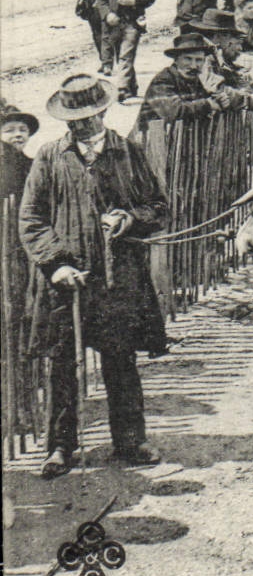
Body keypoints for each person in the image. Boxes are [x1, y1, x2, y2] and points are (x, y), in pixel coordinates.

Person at [20, 74, 169, 477]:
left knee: (120, 361)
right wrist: (56, 264)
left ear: (102, 112)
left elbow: (158, 207)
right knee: (63, 365)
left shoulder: (128, 152)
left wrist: (130, 218)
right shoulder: (51, 157)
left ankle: (130, 441)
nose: (79, 125)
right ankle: (60, 447)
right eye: (73, 118)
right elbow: (31, 220)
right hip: (67, 283)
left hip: (117, 280)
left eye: (87, 117)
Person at [133, 33, 242, 134]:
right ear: (176, 60)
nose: (194, 66)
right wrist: (208, 104)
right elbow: (174, 112)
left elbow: (203, 103)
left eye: (199, 60)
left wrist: (220, 101)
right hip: (149, 144)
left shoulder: (193, 80)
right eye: (188, 59)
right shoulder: (162, 81)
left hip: (177, 141)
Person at [94, 0, 155, 103]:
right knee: (121, 56)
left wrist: (134, 1)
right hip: (113, 23)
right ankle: (131, 86)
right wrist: (107, 15)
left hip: (133, 21)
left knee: (126, 56)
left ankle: (121, 89)